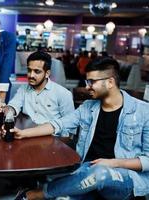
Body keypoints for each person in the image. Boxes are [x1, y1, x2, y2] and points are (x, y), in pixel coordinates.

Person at [13, 57, 149, 200]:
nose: (87, 86)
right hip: (86, 173)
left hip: (122, 178)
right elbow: (58, 124)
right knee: (63, 197)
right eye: (87, 81)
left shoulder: (143, 112)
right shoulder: (88, 107)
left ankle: (36, 194)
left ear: (110, 82)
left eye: (92, 82)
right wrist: (22, 133)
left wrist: (113, 163)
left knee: (100, 173)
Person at [0, 51, 75, 134]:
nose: (31, 75)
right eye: (29, 70)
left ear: (47, 73)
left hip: (51, 139)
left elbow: (70, 127)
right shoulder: (23, 89)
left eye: (37, 71)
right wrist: (2, 109)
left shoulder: (63, 94)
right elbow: (13, 106)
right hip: (26, 135)